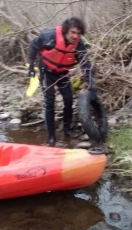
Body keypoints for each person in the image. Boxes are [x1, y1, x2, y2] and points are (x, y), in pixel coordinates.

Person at [28, 17, 97, 146]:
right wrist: (31, 66)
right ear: (66, 31)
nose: (75, 36)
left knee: (68, 99)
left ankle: (67, 129)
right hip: (46, 72)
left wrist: (91, 84)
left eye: (78, 33)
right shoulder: (48, 36)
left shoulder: (79, 45)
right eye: (73, 32)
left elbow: (85, 64)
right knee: (50, 102)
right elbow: (33, 46)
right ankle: (51, 137)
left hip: (62, 73)